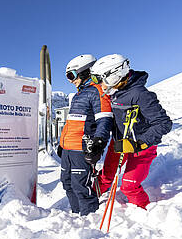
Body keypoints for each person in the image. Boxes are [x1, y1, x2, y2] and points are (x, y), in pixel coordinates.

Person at [90, 54, 172, 209]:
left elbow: (164, 123)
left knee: (129, 186)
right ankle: (89, 201)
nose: (99, 83)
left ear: (114, 75)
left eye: (99, 79)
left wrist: (138, 143)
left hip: (141, 148)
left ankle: (145, 210)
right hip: (120, 144)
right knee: (105, 177)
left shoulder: (141, 94)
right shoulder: (114, 92)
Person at [59, 54, 113, 215]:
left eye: (72, 75)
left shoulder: (97, 92)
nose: (70, 80)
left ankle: (88, 217)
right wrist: (62, 144)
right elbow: (72, 123)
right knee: (67, 183)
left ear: (85, 72)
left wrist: (98, 143)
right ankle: (77, 214)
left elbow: (104, 120)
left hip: (82, 148)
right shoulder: (78, 94)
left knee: (80, 186)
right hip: (68, 148)